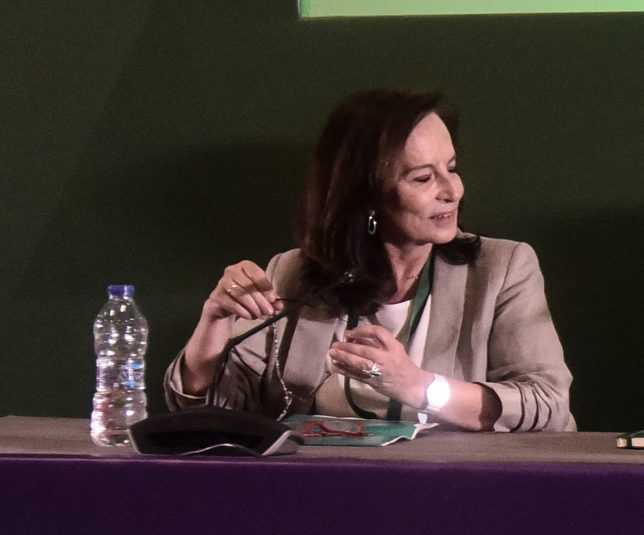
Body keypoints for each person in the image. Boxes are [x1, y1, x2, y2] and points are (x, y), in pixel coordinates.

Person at [166, 88, 575, 431]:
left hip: (461, 487)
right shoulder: (293, 275)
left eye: (452, 168)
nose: (452, 190)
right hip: (322, 487)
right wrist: (214, 322)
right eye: (423, 178)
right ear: (367, 196)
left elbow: (547, 403)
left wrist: (417, 386)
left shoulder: (502, 269)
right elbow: (210, 413)